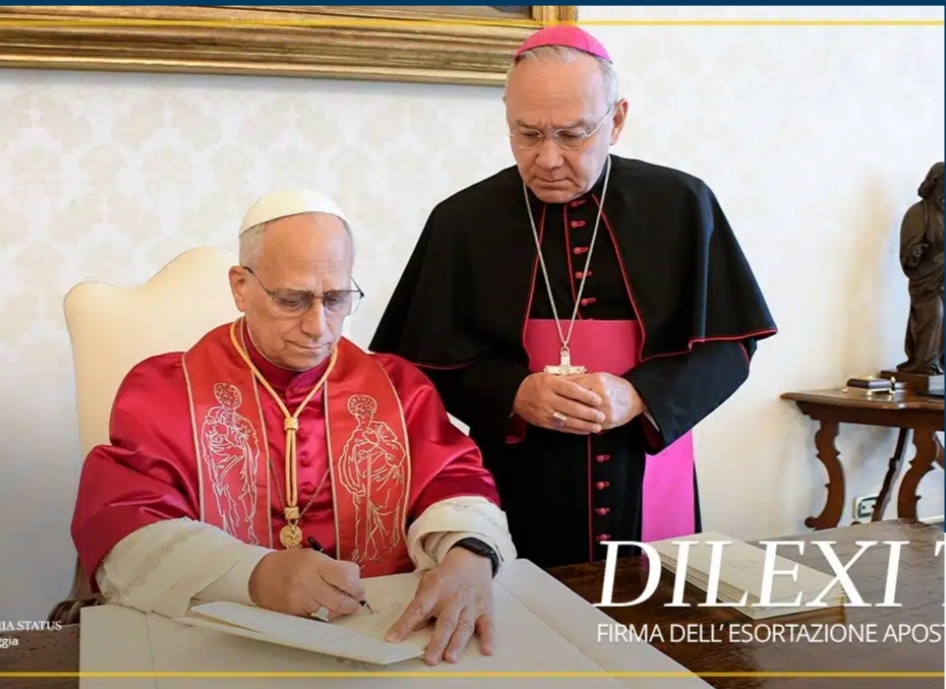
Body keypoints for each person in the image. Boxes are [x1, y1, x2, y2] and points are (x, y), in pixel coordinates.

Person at [369, 26, 777, 570]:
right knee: (518, 610)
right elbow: (417, 364)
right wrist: (514, 392)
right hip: (518, 472)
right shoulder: (463, 220)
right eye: (528, 134)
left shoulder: (681, 204)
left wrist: (640, 396)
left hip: (646, 463)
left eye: (572, 134)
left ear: (617, 121)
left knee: (649, 611)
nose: (548, 158)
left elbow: (730, 346)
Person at [70, 188, 517, 666]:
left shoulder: (398, 387)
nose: (318, 327)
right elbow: (125, 526)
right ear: (241, 287)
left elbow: (452, 480)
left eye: (336, 299)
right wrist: (254, 574)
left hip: (378, 645)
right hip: (217, 650)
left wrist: (468, 554)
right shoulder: (164, 391)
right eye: (292, 300)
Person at [896, 161, 944, 375]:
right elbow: (909, 250)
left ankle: (939, 363)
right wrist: (914, 253)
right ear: (934, 184)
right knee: (935, 314)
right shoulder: (918, 213)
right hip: (928, 280)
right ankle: (925, 363)